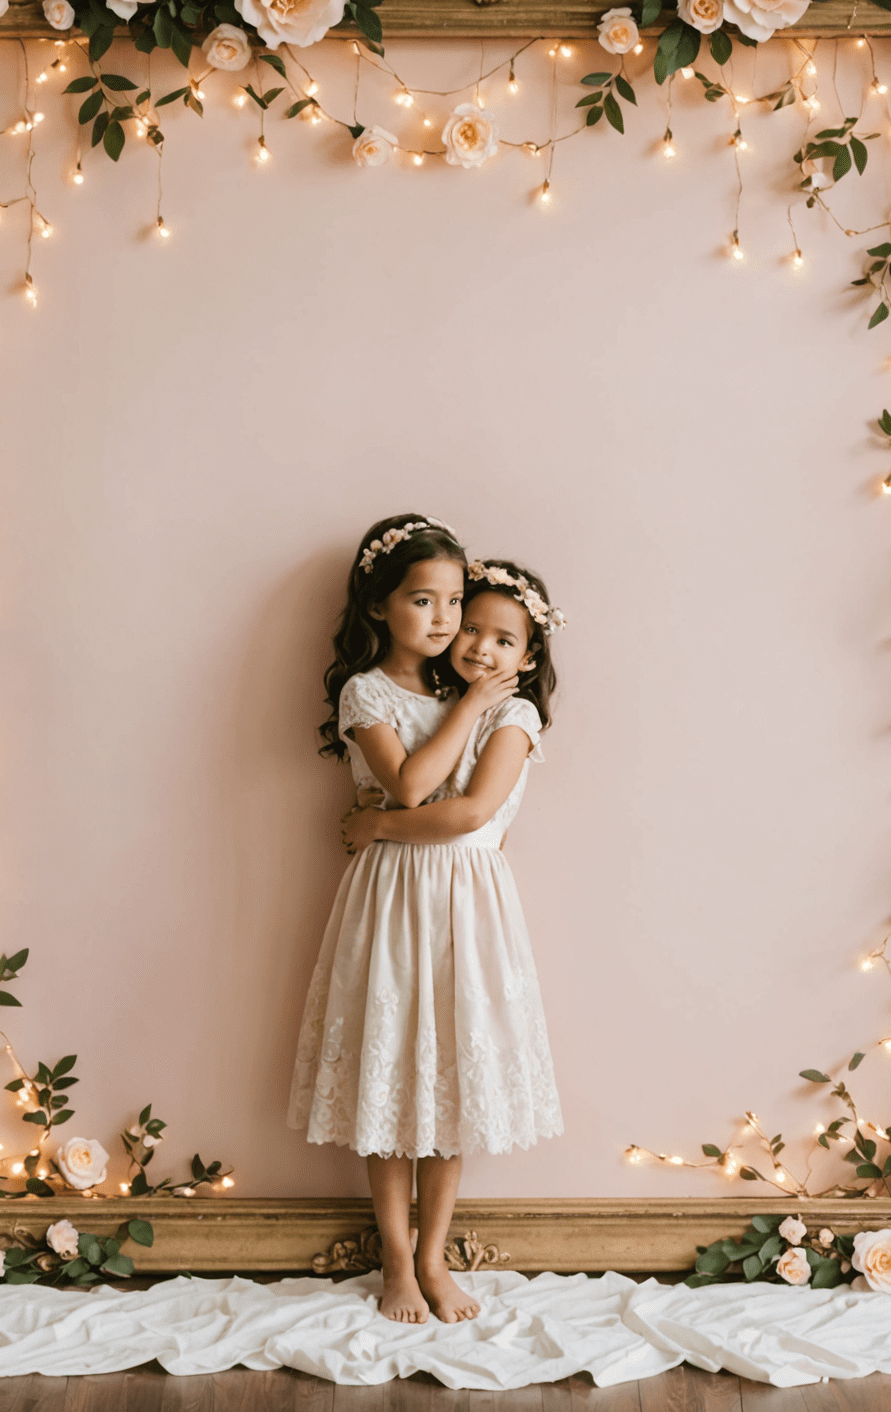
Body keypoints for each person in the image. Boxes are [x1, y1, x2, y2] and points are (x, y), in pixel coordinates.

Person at [290, 530, 564, 1323]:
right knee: (388, 1074)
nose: (452, 625)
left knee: (452, 1081)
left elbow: (471, 814)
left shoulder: (487, 704)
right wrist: (397, 818)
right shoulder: (370, 694)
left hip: (469, 906)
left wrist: (373, 827)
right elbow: (413, 788)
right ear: (382, 606)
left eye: (459, 607)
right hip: (391, 900)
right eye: (431, 603)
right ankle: (397, 1263)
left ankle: (437, 1256)